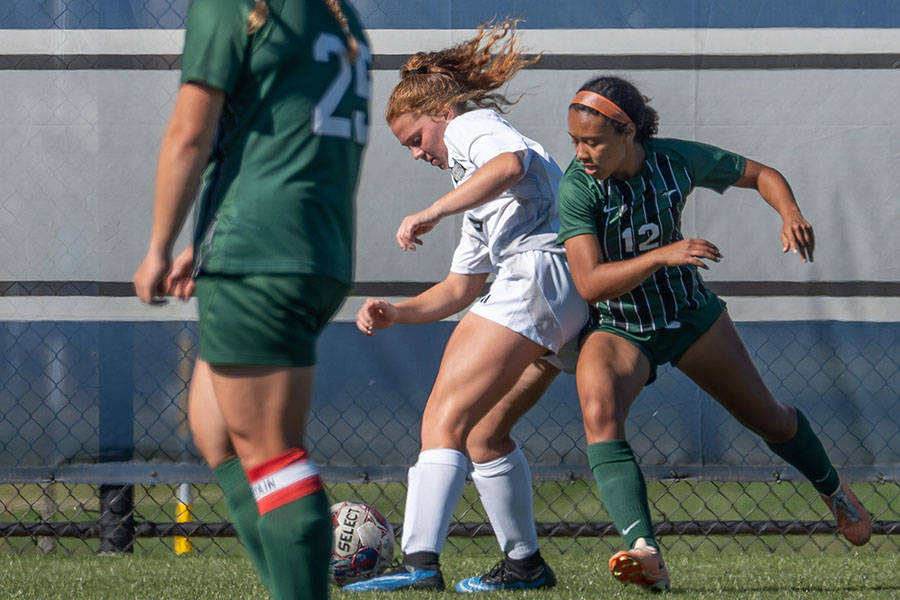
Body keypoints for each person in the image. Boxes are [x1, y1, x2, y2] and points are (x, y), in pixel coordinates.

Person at [556, 75, 872, 592]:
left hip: (689, 316)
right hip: (621, 327)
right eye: (575, 140)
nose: (582, 152)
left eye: (593, 140)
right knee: (599, 414)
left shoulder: (675, 160)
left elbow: (762, 174)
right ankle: (645, 553)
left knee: (767, 418)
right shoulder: (578, 187)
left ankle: (836, 492)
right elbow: (589, 284)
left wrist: (790, 212)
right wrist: (663, 254)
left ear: (627, 133)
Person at [132, 0, 370, 598]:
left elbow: (191, 131)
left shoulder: (235, 5)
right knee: (214, 429)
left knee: (274, 457)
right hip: (313, 247)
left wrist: (159, 245)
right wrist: (207, 239)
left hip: (259, 249)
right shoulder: (335, 14)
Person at [341, 20, 589, 593]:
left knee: (441, 418)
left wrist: (430, 212)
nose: (416, 153)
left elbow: (511, 166)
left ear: (442, 115)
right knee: (483, 434)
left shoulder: (471, 126)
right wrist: (396, 313)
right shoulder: (472, 185)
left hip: (539, 275)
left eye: (415, 140)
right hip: (552, 286)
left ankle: (419, 566)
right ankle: (525, 566)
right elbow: (460, 288)